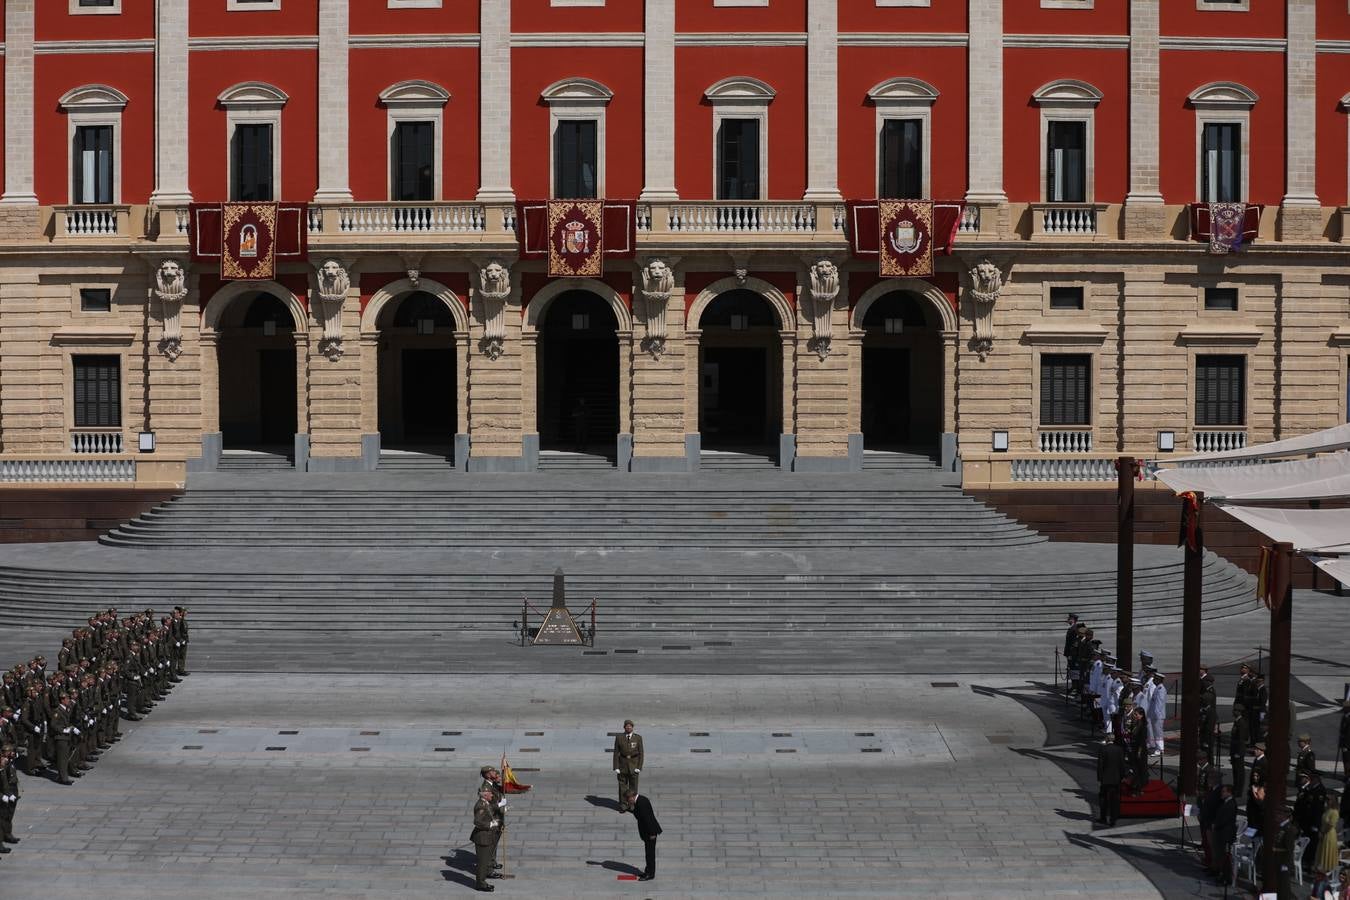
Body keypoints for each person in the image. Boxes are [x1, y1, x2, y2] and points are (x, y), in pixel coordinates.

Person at [623, 789, 662, 882]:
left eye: (628, 800)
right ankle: (647, 871)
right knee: (648, 853)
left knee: (650, 854)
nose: (628, 801)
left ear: (631, 797)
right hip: (647, 832)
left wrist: (652, 833)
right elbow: (638, 814)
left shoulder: (641, 803)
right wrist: (629, 809)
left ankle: (650, 874)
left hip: (650, 832)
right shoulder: (640, 800)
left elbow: (648, 819)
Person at [469, 788, 500, 893]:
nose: (492, 795)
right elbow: (477, 822)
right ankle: (480, 884)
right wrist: (490, 824)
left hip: (487, 836)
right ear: (484, 795)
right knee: (482, 863)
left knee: (486, 860)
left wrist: (500, 807)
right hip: (482, 838)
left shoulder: (485, 803)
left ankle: (484, 878)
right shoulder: (480, 806)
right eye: (490, 794)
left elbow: (490, 809)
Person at [478, 766, 506, 878]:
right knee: (490, 845)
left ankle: (492, 862)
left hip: (497, 817)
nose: (495, 773)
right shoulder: (486, 788)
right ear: (488, 774)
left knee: (494, 843)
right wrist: (499, 805)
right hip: (492, 820)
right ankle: (489, 870)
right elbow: (486, 806)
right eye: (493, 772)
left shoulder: (492, 784)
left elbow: (501, 791)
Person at [613, 719, 644, 813]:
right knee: (622, 786)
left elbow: (641, 753)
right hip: (622, 765)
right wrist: (616, 766)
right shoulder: (619, 737)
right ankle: (623, 805)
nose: (628, 728)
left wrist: (639, 767)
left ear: (632, 727)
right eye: (627, 726)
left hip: (634, 765)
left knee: (633, 787)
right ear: (624, 727)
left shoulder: (638, 738)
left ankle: (632, 805)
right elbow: (616, 752)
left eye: (630, 726)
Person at [1212, 783, 1238, 886]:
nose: (1221, 793)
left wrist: (1216, 824)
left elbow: (1225, 819)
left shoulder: (1231, 804)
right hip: (1221, 833)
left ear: (1229, 793)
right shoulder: (1224, 802)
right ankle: (1222, 874)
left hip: (1226, 834)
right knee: (1220, 855)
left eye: (1223, 792)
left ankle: (1227, 878)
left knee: (1225, 856)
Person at [1096, 738, 1125, 827]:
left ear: (1107, 740)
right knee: (1114, 800)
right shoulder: (1119, 749)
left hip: (1105, 779)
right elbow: (1122, 764)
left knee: (1103, 798)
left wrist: (1099, 778)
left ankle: (1103, 817)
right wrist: (1122, 776)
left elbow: (1100, 765)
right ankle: (1113, 819)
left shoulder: (1103, 749)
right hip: (1116, 779)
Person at [1229, 704, 1250, 796]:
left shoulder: (1241, 723)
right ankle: (1236, 789)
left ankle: (1238, 791)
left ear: (1239, 712)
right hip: (1235, 750)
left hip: (1238, 751)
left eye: (1235, 710)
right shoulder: (1237, 721)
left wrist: (1239, 752)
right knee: (1235, 771)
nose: (1233, 712)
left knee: (1239, 772)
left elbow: (1242, 739)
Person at [0, 745, 18, 850]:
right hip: (4, 794)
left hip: (10, 791)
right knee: (2, 818)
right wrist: (3, 795)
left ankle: (7, 835)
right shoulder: (4, 766)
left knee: (9, 815)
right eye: (9, 751)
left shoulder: (9, 763)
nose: (12, 753)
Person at [1146, 672, 1167, 757]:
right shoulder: (1157, 688)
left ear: (1159, 680)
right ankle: (1157, 748)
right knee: (1156, 733)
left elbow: (1159, 703)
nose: (1154, 680)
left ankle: (1160, 749)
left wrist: (1156, 715)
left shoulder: (1161, 689)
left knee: (1158, 733)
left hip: (1158, 715)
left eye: (1155, 679)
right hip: (1155, 714)